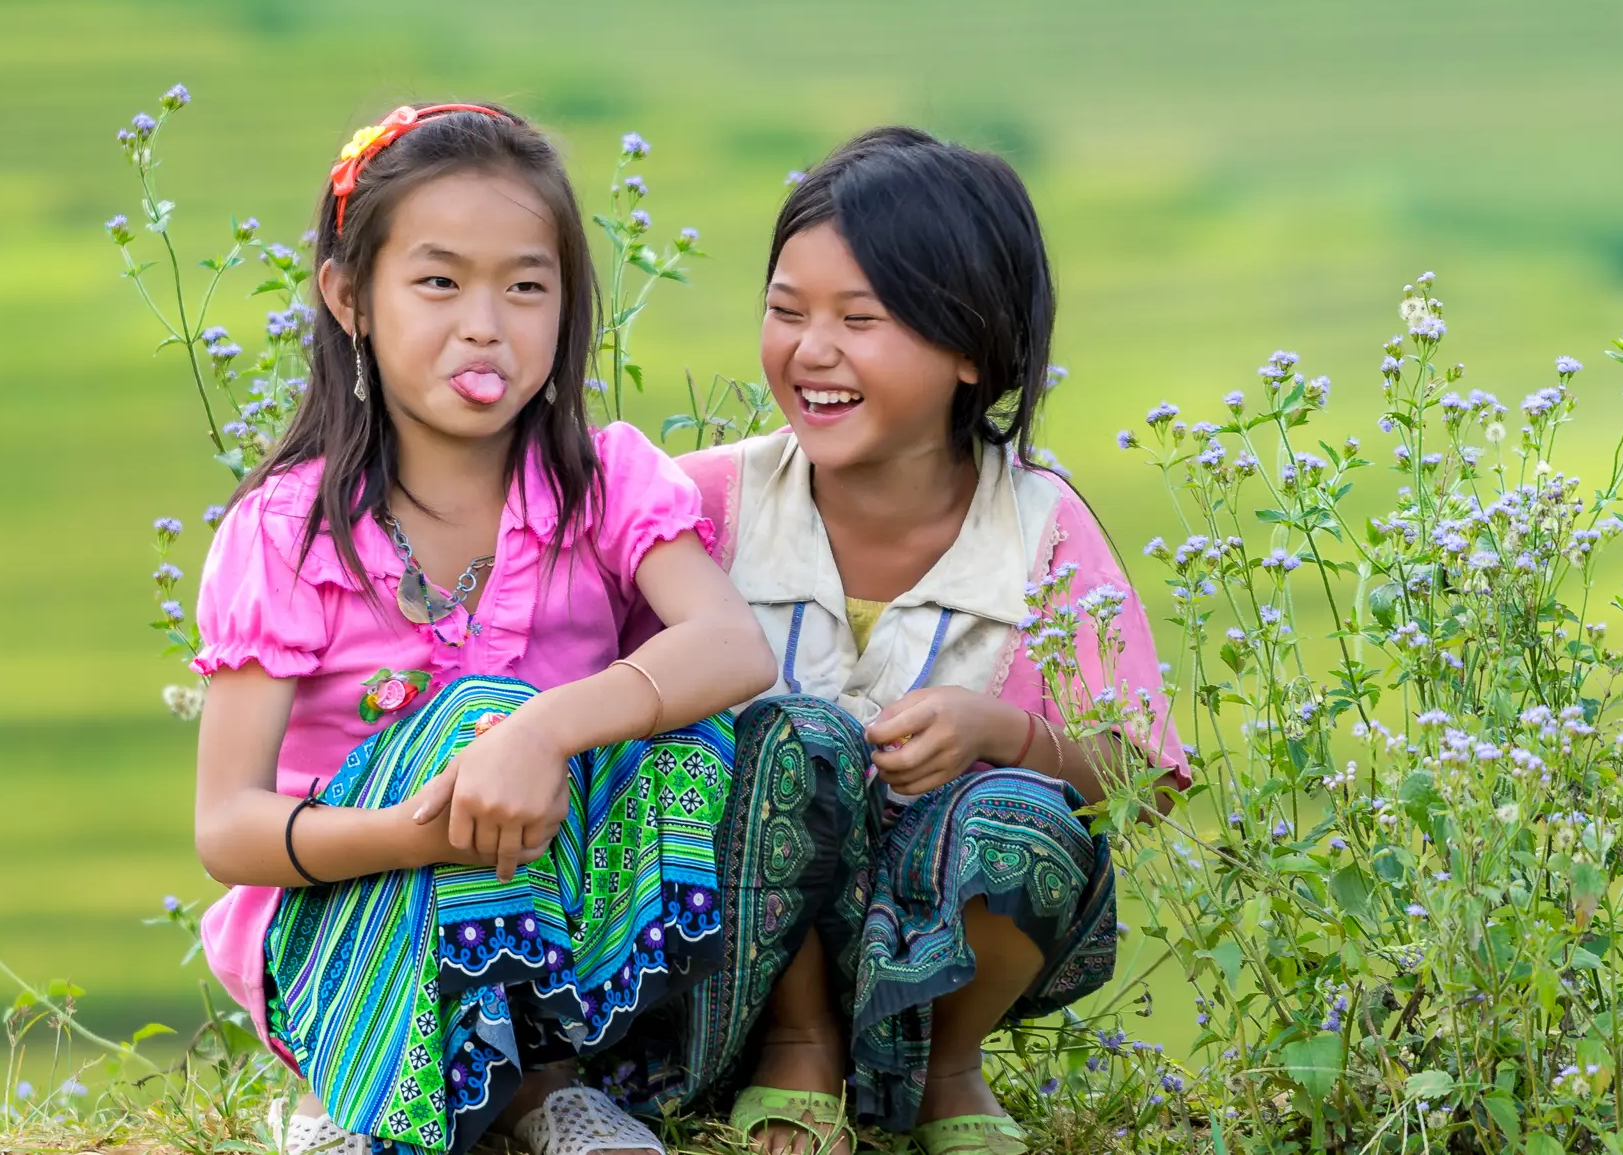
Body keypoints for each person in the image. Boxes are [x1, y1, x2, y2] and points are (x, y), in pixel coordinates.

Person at [189, 102, 775, 1155]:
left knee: (716, 732)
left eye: (526, 286)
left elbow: (731, 647)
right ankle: (374, 1092)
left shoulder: (601, 480)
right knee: (475, 710)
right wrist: (425, 826)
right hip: (352, 923)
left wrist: (541, 734)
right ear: (347, 297)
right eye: (438, 281)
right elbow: (227, 828)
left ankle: (551, 1091)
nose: (485, 324)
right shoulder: (286, 532)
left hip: (554, 903)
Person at [600, 127, 1191, 1155]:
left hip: (937, 958)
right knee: (787, 739)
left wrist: (1005, 731)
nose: (810, 349)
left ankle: (943, 1072)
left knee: (1023, 817)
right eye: (786, 312)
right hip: (717, 950)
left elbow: (1139, 772)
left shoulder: (1043, 533)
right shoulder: (699, 505)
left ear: (974, 348)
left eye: (859, 320)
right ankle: (796, 1051)